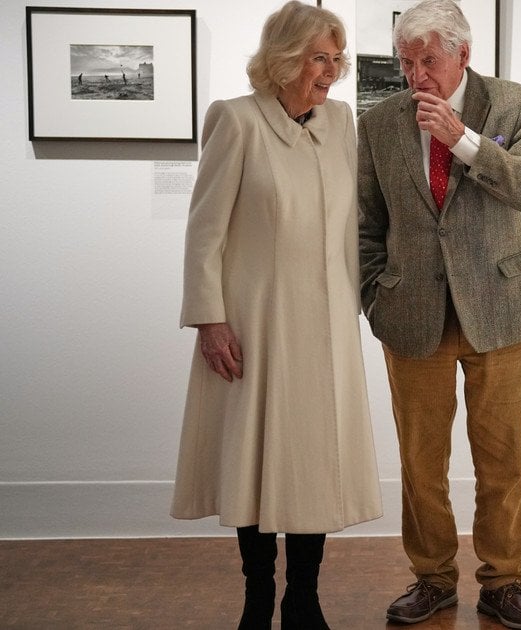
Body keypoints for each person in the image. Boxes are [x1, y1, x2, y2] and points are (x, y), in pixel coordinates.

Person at [171, 2, 382, 629]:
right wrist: (209, 320)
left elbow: (354, 220)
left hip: (327, 327)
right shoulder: (235, 120)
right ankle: (258, 595)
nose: (333, 70)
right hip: (255, 324)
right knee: (255, 459)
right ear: (285, 59)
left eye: (337, 58)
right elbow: (204, 232)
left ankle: (303, 598)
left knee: (314, 461)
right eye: (320, 57)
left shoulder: (340, 122)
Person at [357, 0, 521, 627]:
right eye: (406, 62)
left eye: (428, 61)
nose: (416, 75)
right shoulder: (379, 122)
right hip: (412, 312)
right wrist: (374, 295)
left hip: (499, 308)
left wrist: (462, 141)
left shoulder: (516, 105)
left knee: (503, 457)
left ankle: (504, 581)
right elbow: (366, 222)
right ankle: (433, 578)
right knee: (421, 463)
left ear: (463, 54)